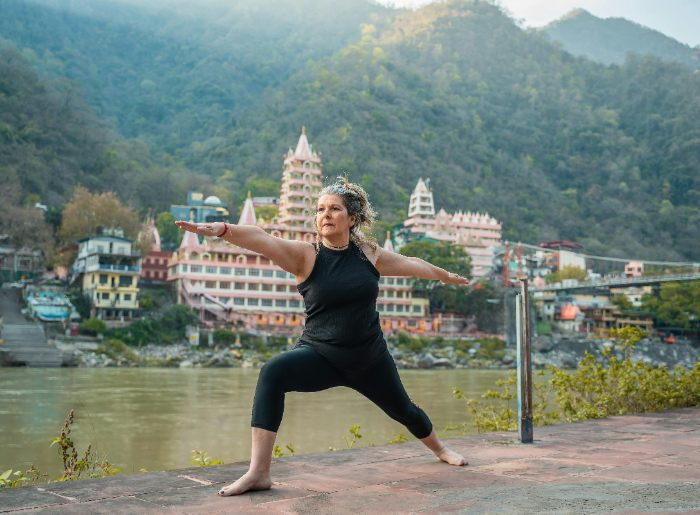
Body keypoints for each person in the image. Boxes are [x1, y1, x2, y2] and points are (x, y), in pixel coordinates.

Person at [175, 177, 469, 497]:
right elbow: (262, 238)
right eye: (320, 210)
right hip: (321, 355)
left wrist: (446, 276)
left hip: (370, 359)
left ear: (352, 219)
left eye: (334, 209)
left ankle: (440, 450)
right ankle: (259, 472)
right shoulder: (305, 256)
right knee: (273, 372)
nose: (325, 215)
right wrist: (222, 229)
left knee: (405, 411)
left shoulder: (369, 254)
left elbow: (413, 265)